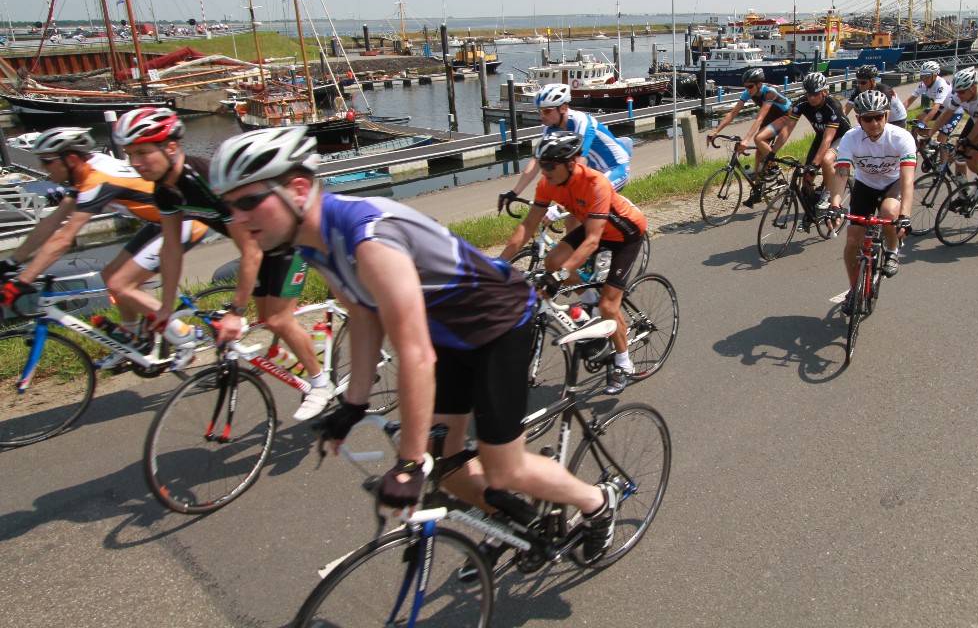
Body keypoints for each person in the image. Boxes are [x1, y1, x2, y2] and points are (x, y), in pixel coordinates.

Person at [209, 127, 620, 563]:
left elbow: (414, 354)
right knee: (446, 464)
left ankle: (597, 503)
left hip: (497, 325)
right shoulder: (314, 241)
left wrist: (407, 464)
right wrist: (353, 404)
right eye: (228, 206)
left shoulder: (368, 236)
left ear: (296, 190)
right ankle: (521, 524)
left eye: (247, 202)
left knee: (505, 468)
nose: (236, 219)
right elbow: (363, 317)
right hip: (450, 336)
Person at [112, 108, 331, 420]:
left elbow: (251, 251)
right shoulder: (165, 191)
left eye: (142, 153)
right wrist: (165, 309)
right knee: (266, 319)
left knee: (278, 321)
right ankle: (310, 356)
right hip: (260, 248)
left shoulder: (203, 180)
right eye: (130, 154)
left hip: (288, 242)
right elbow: (171, 250)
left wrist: (236, 312)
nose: (135, 162)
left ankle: (321, 383)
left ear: (171, 148)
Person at [0, 127, 211, 363]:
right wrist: (12, 262)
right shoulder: (87, 171)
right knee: (110, 275)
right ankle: (132, 341)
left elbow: (63, 238)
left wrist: (23, 280)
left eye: (47, 161)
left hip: (186, 221)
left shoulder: (97, 180)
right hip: (161, 221)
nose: (42, 166)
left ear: (71, 159)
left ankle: (185, 334)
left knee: (121, 284)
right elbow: (51, 223)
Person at [500, 132, 648, 395]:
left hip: (626, 234)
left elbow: (591, 242)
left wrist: (560, 276)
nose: (544, 171)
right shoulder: (548, 183)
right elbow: (528, 226)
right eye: (542, 165)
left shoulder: (595, 183)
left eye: (550, 165)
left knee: (608, 306)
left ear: (570, 163)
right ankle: (590, 299)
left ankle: (624, 363)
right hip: (595, 227)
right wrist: (499, 264)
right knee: (552, 260)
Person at [829, 91, 915, 309]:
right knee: (852, 241)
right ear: (858, 119)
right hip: (865, 185)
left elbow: (907, 180)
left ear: (887, 115)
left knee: (889, 211)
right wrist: (835, 204)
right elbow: (842, 173)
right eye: (868, 118)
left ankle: (892, 251)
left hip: (893, 183)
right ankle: (853, 290)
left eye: (879, 116)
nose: (875, 123)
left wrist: (905, 215)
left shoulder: (901, 138)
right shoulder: (850, 138)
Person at [498, 83, 631, 209]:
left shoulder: (582, 123)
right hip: (593, 171)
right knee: (573, 216)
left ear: (562, 108)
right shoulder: (551, 128)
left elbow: (579, 162)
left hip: (616, 167)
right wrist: (514, 192)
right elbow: (536, 161)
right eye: (540, 111)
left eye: (547, 111)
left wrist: (561, 206)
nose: (542, 116)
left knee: (589, 200)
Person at [708, 67, 793, 207]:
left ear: (759, 84)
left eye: (750, 86)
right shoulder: (749, 92)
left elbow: (760, 118)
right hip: (771, 116)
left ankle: (775, 167)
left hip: (785, 116)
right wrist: (715, 132)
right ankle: (757, 192)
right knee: (759, 153)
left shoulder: (770, 92)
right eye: (745, 86)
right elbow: (733, 113)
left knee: (758, 139)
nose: (747, 89)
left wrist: (746, 139)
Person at [783, 71, 849, 222]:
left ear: (824, 92)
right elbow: (787, 129)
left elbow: (828, 139)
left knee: (826, 160)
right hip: (821, 136)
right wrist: (772, 153)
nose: (811, 97)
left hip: (841, 137)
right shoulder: (803, 103)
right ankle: (812, 211)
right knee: (806, 178)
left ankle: (827, 195)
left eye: (815, 94)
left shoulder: (833, 106)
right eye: (808, 94)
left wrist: (814, 164)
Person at [929, 68, 978, 178]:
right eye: (957, 91)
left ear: (973, 87)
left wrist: (967, 146)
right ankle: (964, 187)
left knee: (973, 163)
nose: (959, 95)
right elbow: (946, 115)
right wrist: (930, 134)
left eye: (962, 92)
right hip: (975, 119)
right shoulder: (960, 95)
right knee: (959, 158)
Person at [904, 60, 961, 142]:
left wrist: (924, 123)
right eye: (922, 76)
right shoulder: (923, 85)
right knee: (918, 119)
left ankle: (943, 148)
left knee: (941, 138)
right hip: (942, 109)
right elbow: (909, 101)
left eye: (927, 76)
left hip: (954, 112)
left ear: (935, 75)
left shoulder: (941, 86)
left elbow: (936, 107)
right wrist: (898, 114)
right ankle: (927, 141)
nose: (924, 79)